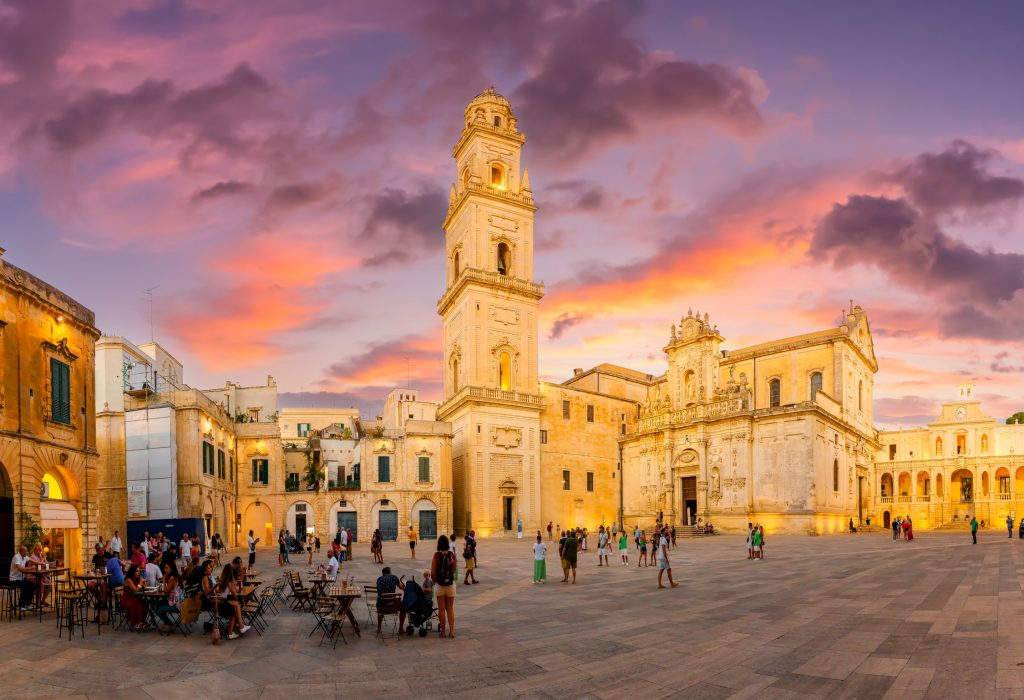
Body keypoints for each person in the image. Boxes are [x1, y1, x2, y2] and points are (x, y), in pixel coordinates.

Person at [210, 564, 249, 639]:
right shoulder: (229, 582)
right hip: (223, 606)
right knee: (236, 605)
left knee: (235, 608)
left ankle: (235, 630)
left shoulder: (221, 581)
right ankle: (240, 627)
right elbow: (234, 594)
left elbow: (217, 591)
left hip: (218, 605)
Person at [431, 536, 457, 638]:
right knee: (450, 609)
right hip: (450, 585)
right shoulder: (452, 555)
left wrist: (434, 582)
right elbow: (454, 570)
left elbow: (432, 572)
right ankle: (452, 631)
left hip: (439, 585)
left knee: (441, 610)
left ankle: (443, 632)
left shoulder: (436, 556)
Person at [374, 566, 405, 636]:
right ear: (390, 572)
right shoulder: (394, 577)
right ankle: (401, 629)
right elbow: (401, 587)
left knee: (380, 608)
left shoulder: (379, 579)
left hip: (381, 607)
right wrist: (402, 585)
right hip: (393, 606)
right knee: (404, 607)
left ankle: (379, 628)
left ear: (383, 573)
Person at [154, 560, 183, 632]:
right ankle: (167, 623)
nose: (165, 570)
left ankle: (169, 623)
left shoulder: (172, 578)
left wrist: (164, 580)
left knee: (158, 610)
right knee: (158, 604)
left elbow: (165, 591)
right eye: (164, 568)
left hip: (176, 605)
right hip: (180, 602)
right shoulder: (177, 576)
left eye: (167, 568)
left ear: (171, 568)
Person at [10, 546, 36, 611]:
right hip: (14, 579)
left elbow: (34, 561)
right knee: (24, 586)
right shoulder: (16, 557)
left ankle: (28, 603)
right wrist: (30, 568)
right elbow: (20, 569)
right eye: (26, 551)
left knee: (33, 585)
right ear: (22, 551)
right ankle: (21, 605)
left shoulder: (25, 557)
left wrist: (41, 562)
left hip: (21, 579)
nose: (27, 552)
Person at [121, 565, 149, 629]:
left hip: (134, 597)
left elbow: (144, 589)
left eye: (139, 571)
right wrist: (140, 584)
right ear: (132, 572)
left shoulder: (137, 579)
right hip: (127, 598)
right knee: (138, 604)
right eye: (136, 571)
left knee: (145, 602)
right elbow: (135, 590)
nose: (138, 573)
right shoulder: (128, 580)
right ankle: (138, 622)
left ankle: (142, 621)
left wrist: (143, 584)